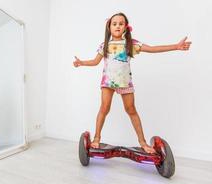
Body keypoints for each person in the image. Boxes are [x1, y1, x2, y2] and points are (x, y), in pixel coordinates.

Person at [73, 12, 191, 153]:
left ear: (125, 27)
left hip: (125, 83)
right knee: (104, 108)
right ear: (109, 27)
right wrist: (82, 63)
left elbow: (153, 49)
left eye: (121, 23)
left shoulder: (131, 44)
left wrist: (175, 46)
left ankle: (143, 142)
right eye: (114, 23)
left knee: (131, 110)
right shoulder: (104, 45)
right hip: (108, 83)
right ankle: (97, 138)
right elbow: (95, 61)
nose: (117, 26)